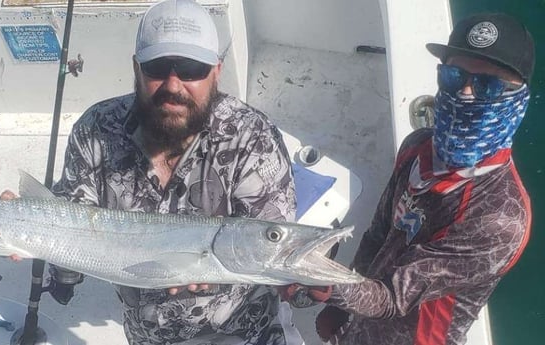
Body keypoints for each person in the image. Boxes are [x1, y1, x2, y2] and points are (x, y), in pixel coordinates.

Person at [47, 0, 301, 344]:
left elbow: (269, 250)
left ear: (216, 70)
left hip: (247, 333)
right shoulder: (95, 130)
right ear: (136, 68)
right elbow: (68, 229)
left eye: (191, 68)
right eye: (158, 67)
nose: (173, 84)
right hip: (147, 336)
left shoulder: (252, 138)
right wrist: (20, 232)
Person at [280, 13, 534, 345]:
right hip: (362, 319)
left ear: (517, 100)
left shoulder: (499, 218)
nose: (467, 95)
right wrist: (343, 311)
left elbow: (391, 297)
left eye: (488, 86)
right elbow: (378, 235)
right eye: (455, 77)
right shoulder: (416, 146)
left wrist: (328, 285)